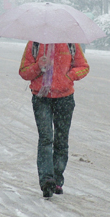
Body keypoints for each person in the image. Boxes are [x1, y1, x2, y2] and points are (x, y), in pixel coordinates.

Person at [19, 42, 90, 198]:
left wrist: (69, 76)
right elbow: (24, 72)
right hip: (41, 98)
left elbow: (84, 67)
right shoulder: (34, 44)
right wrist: (39, 65)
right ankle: (47, 181)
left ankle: (57, 179)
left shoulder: (71, 43)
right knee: (45, 139)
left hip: (64, 99)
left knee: (61, 140)